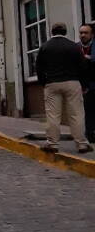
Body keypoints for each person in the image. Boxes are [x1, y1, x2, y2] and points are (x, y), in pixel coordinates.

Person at [35, 22, 93, 153]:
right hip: (72, 82)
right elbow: (82, 66)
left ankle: (52, 144)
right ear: (65, 32)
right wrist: (84, 85)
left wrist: (44, 82)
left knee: (53, 115)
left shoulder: (45, 47)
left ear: (52, 32)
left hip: (52, 83)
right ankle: (82, 143)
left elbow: (39, 67)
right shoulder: (74, 47)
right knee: (76, 114)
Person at [78, 23, 95, 143]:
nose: (83, 35)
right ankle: (90, 134)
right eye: (81, 33)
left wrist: (90, 58)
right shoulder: (76, 47)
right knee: (87, 110)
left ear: (92, 34)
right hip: (83, 85)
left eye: (86, 32)